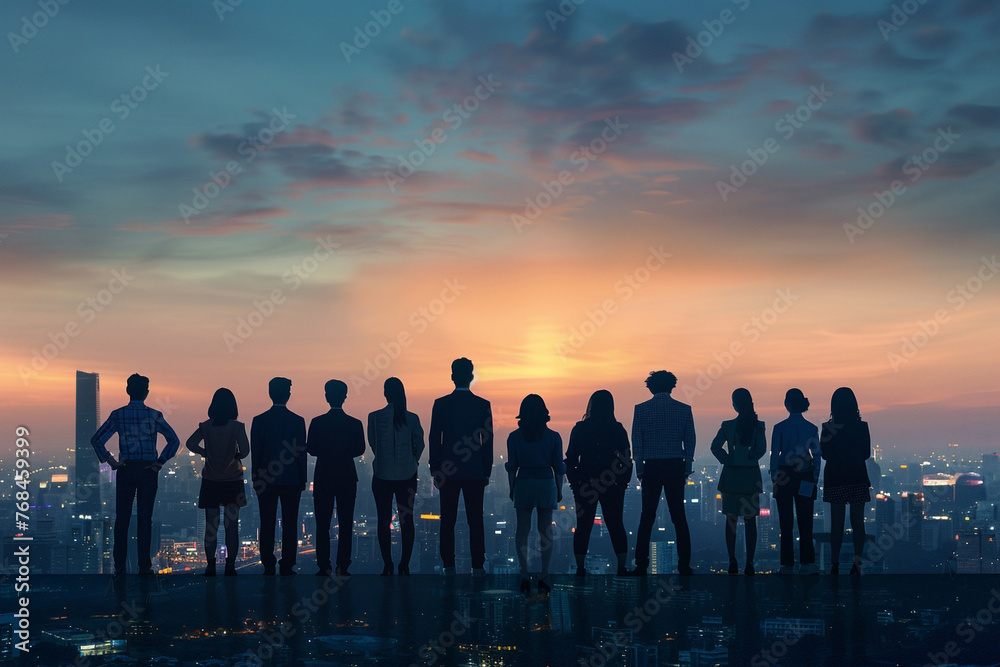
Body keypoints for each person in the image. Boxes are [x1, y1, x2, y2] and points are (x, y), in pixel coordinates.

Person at [91, 373, 180, 577]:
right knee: (144, 519)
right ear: (146, 392)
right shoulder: (155, 415)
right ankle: (144, 566)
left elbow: (96, 439)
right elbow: (173, 440)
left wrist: (112, 462)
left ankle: (119, 567)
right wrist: (160, 462)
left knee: (122, 519)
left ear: (127, 391)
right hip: (148, 470)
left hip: (126, 469)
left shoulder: (118, 415)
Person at [428, 357, 493, 575]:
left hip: (447, 470)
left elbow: (435, 437)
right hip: (475, 471)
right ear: (471, 377)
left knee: (448, 519)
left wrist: (434, 468)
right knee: (476, 519)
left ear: (452, 377)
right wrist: (486, 471)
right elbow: (487, 440)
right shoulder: (483, 405)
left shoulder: (441, 404)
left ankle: (449, 565)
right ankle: (478, 566)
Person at [631, 370, 696, 576]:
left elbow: (637, 441)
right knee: (679, 517)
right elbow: (690, 440)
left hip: (651, 466)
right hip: (675, 464)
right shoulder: (683, 409)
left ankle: (641, 564)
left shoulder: (641, 409)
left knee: (646, 516)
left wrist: (640, 468)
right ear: (672, 386)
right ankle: (684, 565)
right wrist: (686, 467)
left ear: (651, 387)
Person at [565, 390, 631, 577]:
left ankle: (580, 568)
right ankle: (622, 567)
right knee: (616, 524)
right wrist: (622, 483)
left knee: (583, 526)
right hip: (612, 484)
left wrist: (574, 482)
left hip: (585, 484)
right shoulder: (618, 429)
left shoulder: (580, 428)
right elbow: (627, 459)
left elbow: (570, 459)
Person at [186, 388, 249, 577]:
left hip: (211, 480)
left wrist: (204, 452)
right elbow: (245, 451)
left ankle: (211, 565)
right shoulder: (237, 427)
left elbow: (190, 443)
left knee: (210, 526)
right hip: (232, 481)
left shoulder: (205, 426)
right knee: (232, 526)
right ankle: (230, 566)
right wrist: (236, 455)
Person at [506, 394, 565, 594]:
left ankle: (523, 572)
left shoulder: (514, 437)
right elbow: (559, 467)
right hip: (546, 483)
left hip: (523, 483)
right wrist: (559, 488)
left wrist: (512, 488)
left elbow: (512, 467)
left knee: (522, 531)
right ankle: (544, 573)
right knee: (545, 531)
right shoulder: (554, 437)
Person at [307, 379, 365, 577]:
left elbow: (312, 449)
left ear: (326, 396)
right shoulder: (355, 424)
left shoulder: (317, 422)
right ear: (345, 397)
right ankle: (343, 565)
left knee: (322, 524)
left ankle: (324, 566)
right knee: (346, 522)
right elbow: (360, 449)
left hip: (323, 475)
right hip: (347, 476)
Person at [250, 377, 307, 576]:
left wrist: (255, 478)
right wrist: (303, 479)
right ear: (288, 394)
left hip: (265, 480)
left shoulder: (259, 421)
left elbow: (256, 453)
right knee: (290, 522)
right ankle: (287, 563)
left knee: (267, 522)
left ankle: (267, 563)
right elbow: (301, 453)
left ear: (270, 393)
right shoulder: (298, 421)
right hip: (292, 480)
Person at [368, 377, 424, 576]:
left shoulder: (374, 417)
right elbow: (420, 443)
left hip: (381, 474)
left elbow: (373, 444)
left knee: (383, 520)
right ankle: (404, 565)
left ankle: (387, 564)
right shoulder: (412, 418)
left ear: (385, 393)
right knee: (407, 520)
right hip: (406, 475)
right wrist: (413, 460)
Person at [710, 388, 766, 576]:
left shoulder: (727, 426)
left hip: (732, 477)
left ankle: (732, 560)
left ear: (735, 404)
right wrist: (749, 457)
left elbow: (715, 446)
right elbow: (761, 449)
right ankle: (749, 562)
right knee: (751, 522)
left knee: (731, 521)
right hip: (750, 477)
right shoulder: (758, 426)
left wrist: (728, 459)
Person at [769, 388, 821, 575]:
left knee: (785, 521)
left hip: (784, 475)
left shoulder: (779, 427)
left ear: (787, 404)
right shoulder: (812, 428)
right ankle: (807, 563)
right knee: (806, 519)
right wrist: (815, 476)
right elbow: (816, 455)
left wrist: (774, 475)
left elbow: (775, 454)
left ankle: (787, 564)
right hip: (806, 473)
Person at [821, 387, 871, 576]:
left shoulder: (828, 428)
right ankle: (857, 563)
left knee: (837, 523)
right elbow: (866, 453)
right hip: (857, 476)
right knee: (858, 523)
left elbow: (824, 454)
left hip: (836, 478)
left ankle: (834, 563)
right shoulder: (862, 426)